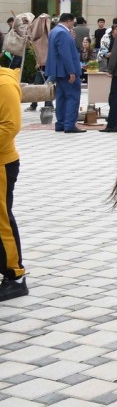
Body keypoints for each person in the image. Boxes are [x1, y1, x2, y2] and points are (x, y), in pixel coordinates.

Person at [0, 46, 27, 300]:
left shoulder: (4, 84)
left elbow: (10, 126)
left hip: (2, 164)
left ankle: (15, 276)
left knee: (2, 221)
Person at [46, 13, 84, 134]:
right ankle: (69, 125)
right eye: (73, 22)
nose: (73, 25)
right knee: (72, 97)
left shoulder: (54, 31)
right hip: (66, 71)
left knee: (61, 98)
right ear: (68, 21)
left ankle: (61, 123)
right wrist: (71, 71)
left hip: (58, 71)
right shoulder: (63, 33)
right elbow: (65, 54)